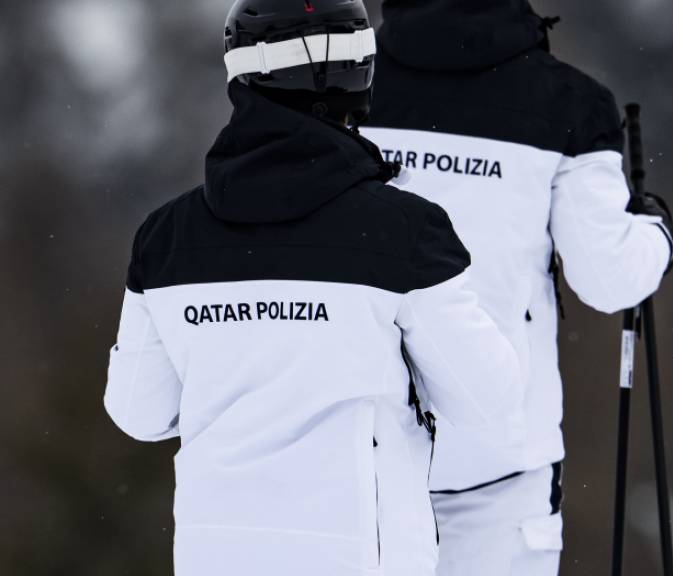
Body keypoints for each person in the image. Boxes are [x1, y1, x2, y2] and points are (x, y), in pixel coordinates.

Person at [103, 1, 522, 575]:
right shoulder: (405, 232)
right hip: (356, 555)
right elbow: (490, 400)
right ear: (356, 73)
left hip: (215, 555)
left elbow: (137, 413)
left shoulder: (165, 239)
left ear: (240, 73)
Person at [361, 1, 673, 574]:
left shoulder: (346, 82)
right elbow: (610, 278)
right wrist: (657, 232)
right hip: (501, 464)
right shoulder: (568, 101)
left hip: (364, 446)